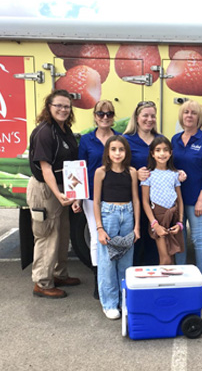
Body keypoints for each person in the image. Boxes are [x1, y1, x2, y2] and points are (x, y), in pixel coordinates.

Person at [27, 89, 81, 299]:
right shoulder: (45, 132)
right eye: (58, 105)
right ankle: (42, 282)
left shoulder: (64, 130)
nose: (63, 109)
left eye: (66, 106)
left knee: (62, 233)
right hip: (45, 189)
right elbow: (46, 168)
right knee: (47, 234)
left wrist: (72, 193)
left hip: (61, 188)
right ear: (49, 107)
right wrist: (58, 194)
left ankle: (58, 274)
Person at [93, 135, 140, 319]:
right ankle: (110, 303)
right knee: (107, 261)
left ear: (126, 152)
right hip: (108, 215)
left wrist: (137, 227)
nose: (117, 153)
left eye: (121, 149)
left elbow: (136, 199)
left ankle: (124, 301)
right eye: (113, 149)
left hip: (127, 214)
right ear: (107, 152)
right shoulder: (101, 172)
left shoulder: (132, 172)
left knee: (126, 261)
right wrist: (99, 228)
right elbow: (96, 201)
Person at [78, 100, 120, 299]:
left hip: (115, 196)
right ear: (95, 116)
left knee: (115, 237)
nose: (105, 117)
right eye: (101, 114)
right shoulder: (86, 140)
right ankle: (99, 280)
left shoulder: (120, 139)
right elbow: (80, 169)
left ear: (113, 117)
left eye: (109, 114)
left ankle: (115, 279)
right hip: (91, 196)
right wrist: (77, 197)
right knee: (97, 239)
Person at [172, 100, 202, 279]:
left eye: (193, 113)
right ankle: (181, 277)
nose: (189, 115)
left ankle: (201, 280)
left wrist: (201, 198)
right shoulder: (175, 139)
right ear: (181, 116)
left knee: (198, 240)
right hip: (177, 199)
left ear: (199, 117)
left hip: (196, 199)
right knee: (179, 239)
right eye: (186, 112)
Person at [124, 101, 160, 265]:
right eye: (145, 115)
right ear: (137, 118)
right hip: (135, 200)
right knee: (137, 241)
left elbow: (169, 164)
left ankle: (152, 283)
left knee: (155, 241)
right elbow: (117, 168)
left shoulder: (160, 140)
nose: (149, 119)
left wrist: (178, 172)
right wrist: (134, 173)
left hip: (158, 201)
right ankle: (136, 281)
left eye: (152, 116)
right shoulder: (126, 140)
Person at [141, 136, 184, 265]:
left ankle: (170, 284)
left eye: (165, 150)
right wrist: (155, 224)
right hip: (158, 218)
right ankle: (160, 283)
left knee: (171, 257)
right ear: (152, 154)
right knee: (164, 258)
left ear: (170, 153)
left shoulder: (174, 174)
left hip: (173, 217)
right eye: (158, 150)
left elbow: (180, 200)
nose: (162, 153)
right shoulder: (148, 175)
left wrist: (180, 222)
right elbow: (145, 201)